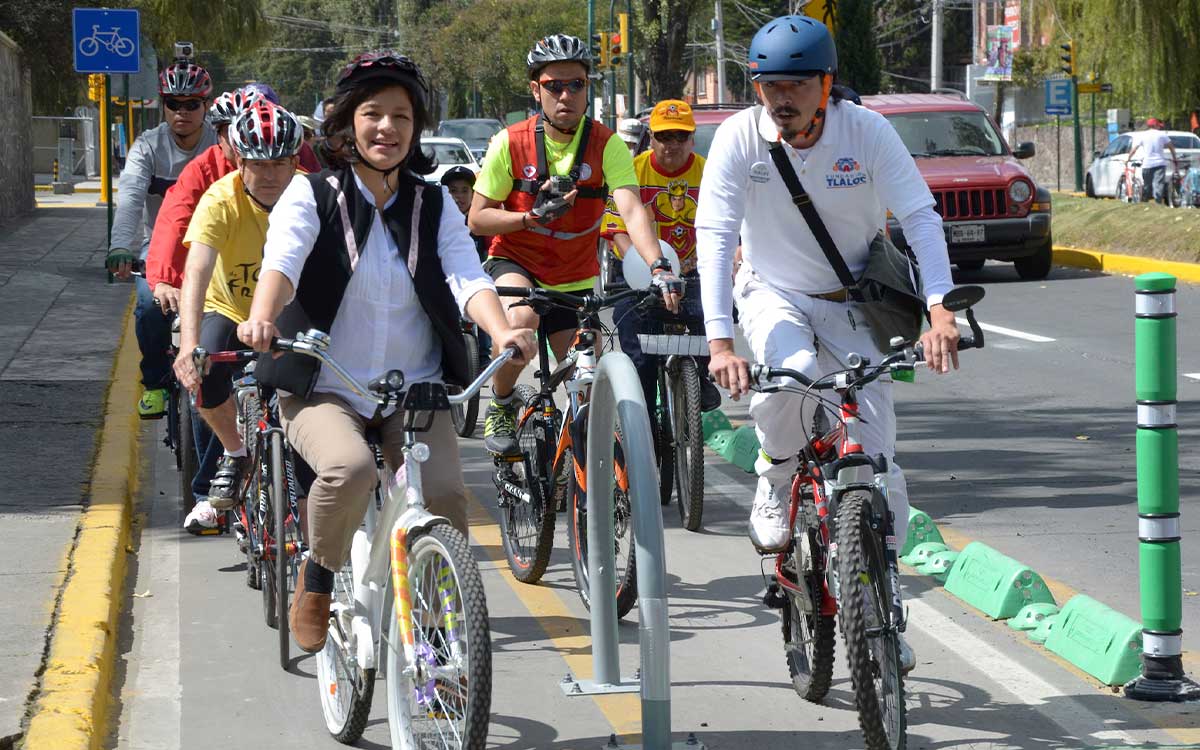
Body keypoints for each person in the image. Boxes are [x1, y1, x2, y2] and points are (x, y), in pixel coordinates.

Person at [236, 51, 536, 652]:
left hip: (415, 388)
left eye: (402, 116)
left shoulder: (433, 203)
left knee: (445, 495)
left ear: (416, 127)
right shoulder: (310, 194)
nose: (387, 128)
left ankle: (437, 623)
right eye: (373, 113)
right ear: (348, 123)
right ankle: (318, 576)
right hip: (324, 384)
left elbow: (467, 276)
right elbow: (283, 262)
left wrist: (503, 331)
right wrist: (263, 315)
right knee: (349, 469)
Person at [695, 15, 958, 673]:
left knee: (879, 466)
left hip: (852, 300)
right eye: (770, 85)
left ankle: (883, 610)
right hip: (771, 291)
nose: (782, 98)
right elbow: (715, 235)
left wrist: (940, 310)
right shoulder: (739, 137)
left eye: (797, 85)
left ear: (826, 83)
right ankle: (776, 476)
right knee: (791, 371)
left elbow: (920, 217)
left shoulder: (866, 132)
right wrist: (720, 341)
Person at [468, 33, 684, 457]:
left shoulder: (607, 144)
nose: (565, 95)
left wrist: (658, 265)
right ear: (536, 90)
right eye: (554, 86)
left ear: (588, 88)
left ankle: (587, 469)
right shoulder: (509, 142)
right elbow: (478, 218)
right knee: (522, 321)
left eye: (576, 84)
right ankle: (502, 403)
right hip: (516, 261)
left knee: (589, 374)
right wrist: (529, 218)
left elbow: (631, 209)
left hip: (574, 277)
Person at [172, 101, 305, 517]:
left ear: (295, 162)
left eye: (279, 163)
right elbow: (196, 271)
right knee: (204, 366)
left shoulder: (312, 195)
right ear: (238, 162)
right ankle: (234, 451)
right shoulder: (219, 199)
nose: (269, 175)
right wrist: (188, 346)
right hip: (228, 308)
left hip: (291, 311)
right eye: (257, 164)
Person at [145, 86, 263, 532]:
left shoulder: (297, 176)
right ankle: (208, 492)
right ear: (220, 137)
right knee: (204, 370)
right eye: (231, 134)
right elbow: (175, 224)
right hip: (221, 295)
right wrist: (163, 279)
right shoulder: (209, 180)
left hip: (277, 304)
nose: (245, 146)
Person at [105, 61, 217, 419]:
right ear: (163, 105)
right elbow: (130, 199)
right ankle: (154, 383)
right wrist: (120, 247)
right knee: (150, 305)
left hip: (215, 246)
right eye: (173, 104)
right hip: (159, 245)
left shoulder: (220, 144)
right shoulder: (147, 147)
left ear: (206, 106)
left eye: (192, 104)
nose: (182, 112)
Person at [603, 98, 721, 414]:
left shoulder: (709, 172)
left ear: (692, 139)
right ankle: (639, 417)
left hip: (693, 270)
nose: (672, 144)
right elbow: (617, 230)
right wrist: (644, 266)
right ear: (651, 138)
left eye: (680, 136)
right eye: (664, 136)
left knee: (713, 317)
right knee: (639, 356)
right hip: (638, 273)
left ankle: (700, 376)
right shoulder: (631, 171)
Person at [1127, 118, 1178, 204]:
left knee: (1147, 185)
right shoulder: (1162, 135)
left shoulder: (1143, 135)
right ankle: (1158, 202)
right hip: (1160, 164)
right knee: (1158, 184)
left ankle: (1145, 202)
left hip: (1147, 164)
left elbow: (1134, 148)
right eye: (1159, 125)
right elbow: (1171, 147)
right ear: (1155, 125)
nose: (1160, 127)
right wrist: (1174, 158)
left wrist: (1128, 158)